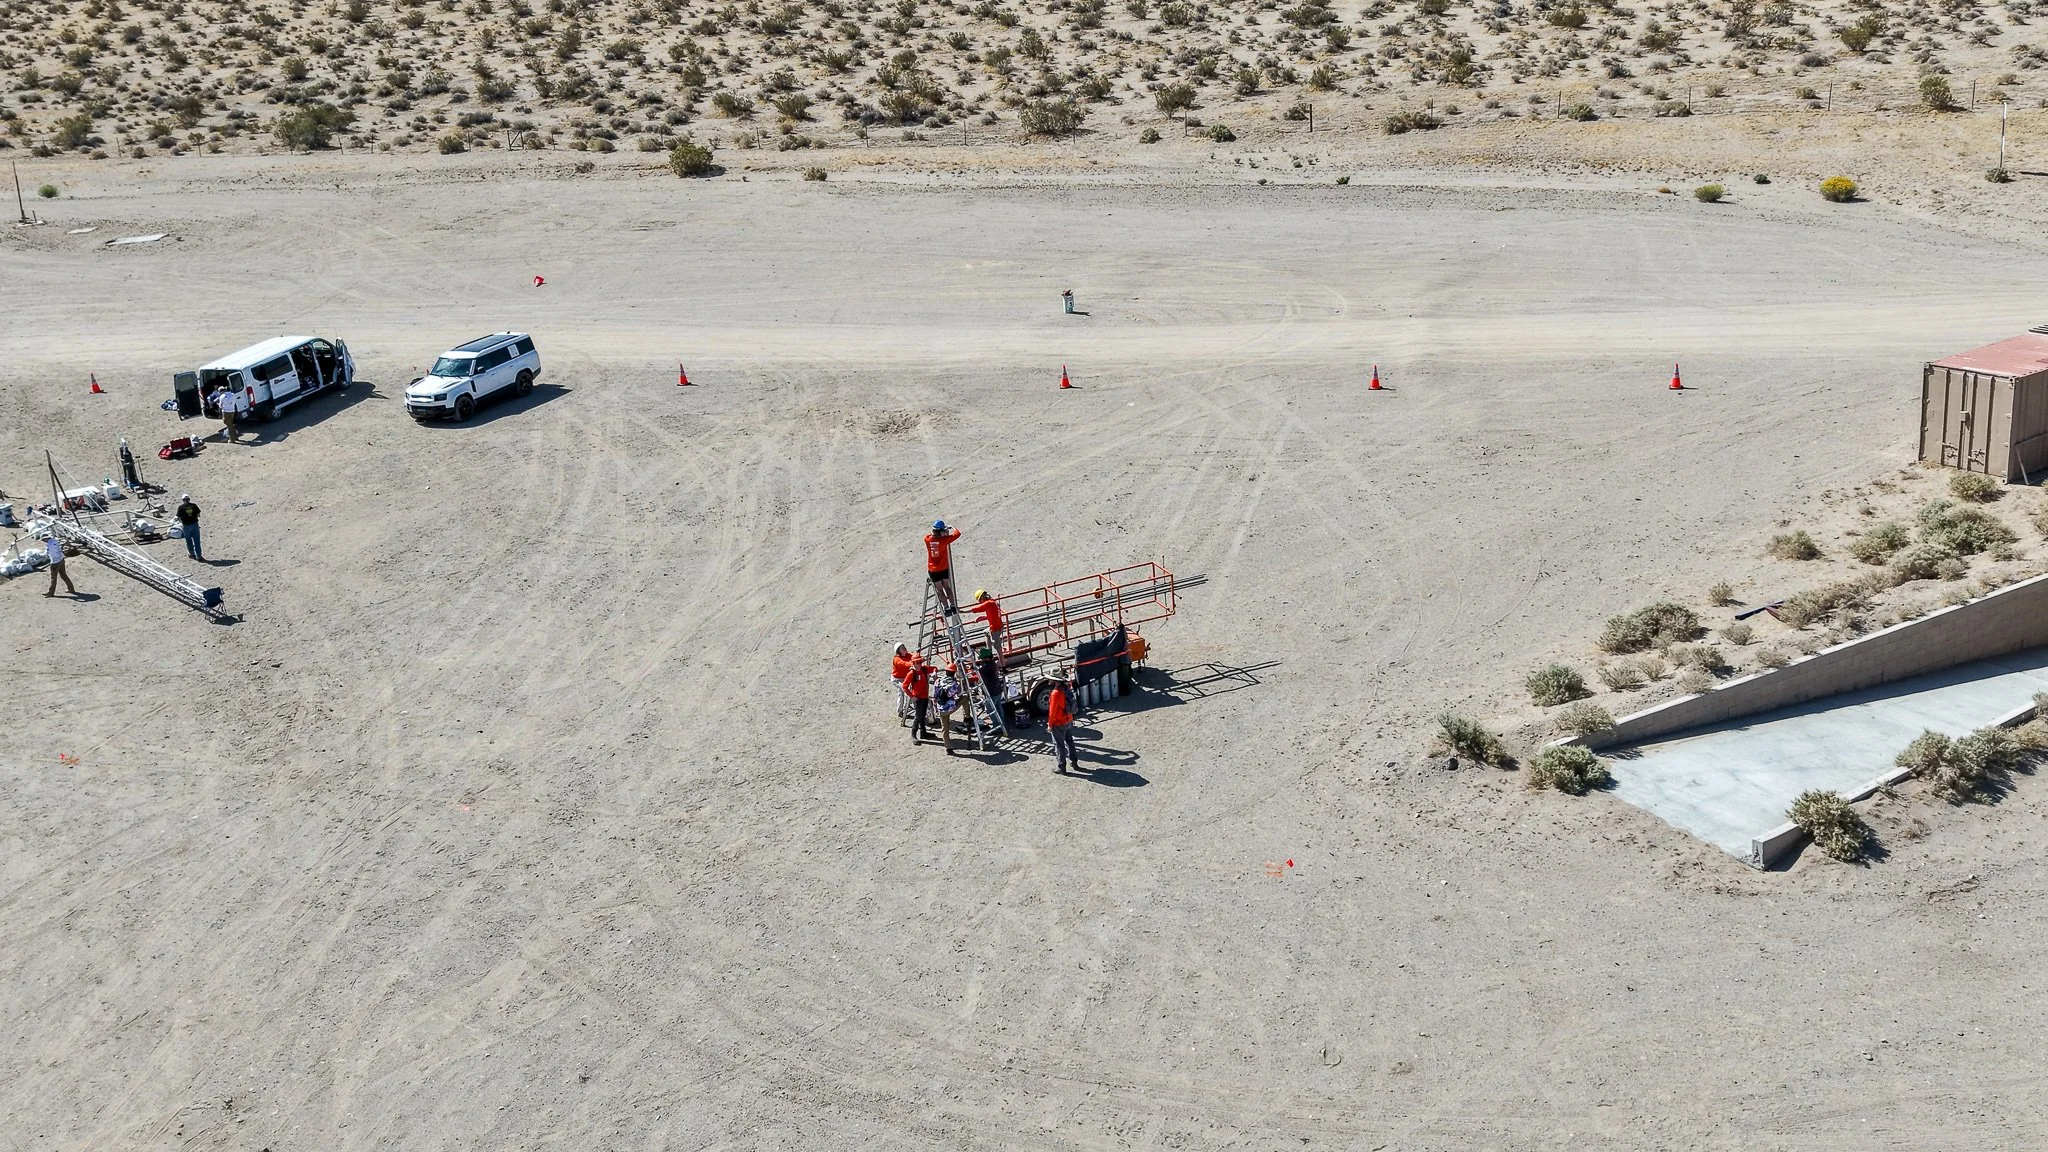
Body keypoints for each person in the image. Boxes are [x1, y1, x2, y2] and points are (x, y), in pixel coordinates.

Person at [925, 520, 961, 612]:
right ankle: (952, 605)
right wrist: (952, 527)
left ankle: (946, 607)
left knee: (940, 590)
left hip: (933, 569)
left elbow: (930, 535)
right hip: (943, 568)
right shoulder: (944, 540)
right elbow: (957, 533)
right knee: (947, 587)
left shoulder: (927, 539)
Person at [1046, 679, 1077, 774]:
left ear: (1055, 681)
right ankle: (1074, 762)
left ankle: (1061, 767)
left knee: (1059, 745)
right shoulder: (1066, 689)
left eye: (1050, 679)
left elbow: (1052, 712)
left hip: (1058, 723)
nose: (1048, 681)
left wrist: (1050, 725)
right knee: (1070, 741)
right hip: (1068, 720)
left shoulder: (1056, 693)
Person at [933, 665, 962, 755]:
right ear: (954, 673)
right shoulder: (954, 684)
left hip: (940, 709)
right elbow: (952, 694)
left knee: (944, 728)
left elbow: (935, 694)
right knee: (965, 697)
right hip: (950, 708)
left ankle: (948, 747)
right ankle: (967, 716)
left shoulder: (938, 681)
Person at [905, 655, 932, 744]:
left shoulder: (923, 669)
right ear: (913, 663)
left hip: (924, 697)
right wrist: (911, 696)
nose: (919, 664)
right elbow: (904, 686)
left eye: (920, 662)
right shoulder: (912, 673)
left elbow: (934, 668)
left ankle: (923, 732)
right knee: (918, 716)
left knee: (923, 715)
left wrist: (934, 673)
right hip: (918, 698)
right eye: (917, 662)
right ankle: (913, 734)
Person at [175, 493, 204, 561]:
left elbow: (178, 518)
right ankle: (199, 556)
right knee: (197, 541)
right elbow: (198, 514)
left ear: (183, 500)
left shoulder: (181, 507)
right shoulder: (194, 505)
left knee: (188, 540)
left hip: (186, 526)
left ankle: (191, 553)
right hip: (195, 525)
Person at [891, 643, 915, 724]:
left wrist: (918, 658)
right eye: (902, 648)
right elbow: (904, 664)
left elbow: (913, 656)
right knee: (906, 691)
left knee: (901, 694)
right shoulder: (897, 659)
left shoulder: (907, 655)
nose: (904, 648)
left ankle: (900, 710)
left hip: (904, 678)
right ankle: (904, 709)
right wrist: (914, 664)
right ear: (898, 650)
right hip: (897, 680)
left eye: (904, 647)